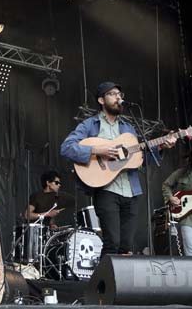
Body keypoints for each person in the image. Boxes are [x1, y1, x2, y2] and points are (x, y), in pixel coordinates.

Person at [61, 81, 176, 255]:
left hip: (131, 191)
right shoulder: (90, 125)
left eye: (120, 95)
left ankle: (119, 282)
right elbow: (67, 148)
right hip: (106, 190)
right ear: (101, 100)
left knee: (126, 246)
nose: (118, 98)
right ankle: (102, 282)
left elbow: (137, 158)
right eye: (113, 94)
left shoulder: (128, 127)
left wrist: (160, 147)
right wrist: (97, 150)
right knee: (112, 243)